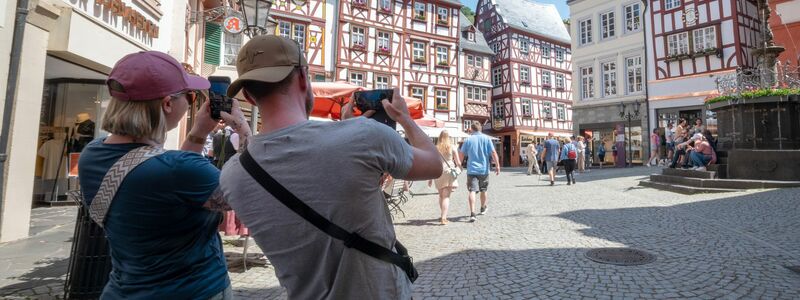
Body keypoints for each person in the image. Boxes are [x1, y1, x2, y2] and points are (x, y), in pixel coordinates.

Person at [218, 36, 442, 299]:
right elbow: (434, 164)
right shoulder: (365, 136)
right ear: (303, 77)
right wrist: (404, 118)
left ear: (248, 96)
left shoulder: (233, 175)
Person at [77, 51, 250, 299]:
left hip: (123, 290)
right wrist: (243, 130)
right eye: (190, 96)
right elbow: (244, 193)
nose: (192, 101)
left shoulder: (91, 155)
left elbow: (170, 181)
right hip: (193, 290)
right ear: (168, 104)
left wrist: (199, 132)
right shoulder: (178, 168)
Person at [460, 121, 500, 222]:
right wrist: (497, 166)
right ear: (480, 129)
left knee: (472, 190)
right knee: (483, 189)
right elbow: (493, 153)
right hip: (484, 169)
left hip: (471, 169)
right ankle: (482, 208)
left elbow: (461, 154)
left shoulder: (468, 140)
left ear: (472, 129)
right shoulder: (486, 139)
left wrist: (459, 165)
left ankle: (472, 213)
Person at [428, 130, 461, 225]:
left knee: (441, 195)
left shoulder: (435, 148)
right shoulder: (453, 147)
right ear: (448, 137)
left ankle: (442, 214)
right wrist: (460, 169)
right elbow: (458, 162)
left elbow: (432, 163)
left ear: (440, 137)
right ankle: (443, 218)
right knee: (446, 196)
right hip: (448, 173)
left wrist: (430, 178)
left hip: (438, 173)